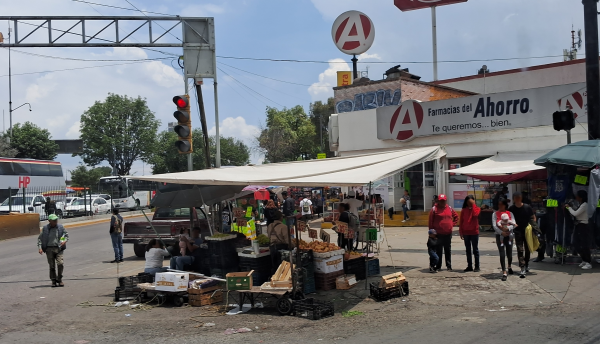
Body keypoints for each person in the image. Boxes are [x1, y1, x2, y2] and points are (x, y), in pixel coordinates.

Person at [508, 192, 536, 278]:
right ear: (514, 199)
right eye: (515, 198)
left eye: (518, 198)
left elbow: (533, 217)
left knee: (527, 249)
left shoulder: (527, 207)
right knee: (520, 249)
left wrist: (533, 225)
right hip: (517, 231)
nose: (517, 200)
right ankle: (522, 267)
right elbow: (508, 219)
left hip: (527, 230)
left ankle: (526, 264)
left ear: (521, 198)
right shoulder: (511, 208)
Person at [428, 194, 458, 271]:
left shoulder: (450, 208)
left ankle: (449, 266)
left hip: (448, 233)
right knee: (439, 250)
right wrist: (431, 233)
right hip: (438, 234)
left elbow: (456, 217)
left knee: (448, 250)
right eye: (441, 201)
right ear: (438, 201)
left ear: (446, 200)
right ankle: (438, 266)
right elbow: (430, 222)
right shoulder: (434, 209)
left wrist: (452, 224)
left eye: (444, 201)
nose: (442, 202)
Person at [38, 214, 68, 287]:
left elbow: (66, 235)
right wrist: (40, 248)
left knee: (60, 263)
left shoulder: (60, 227)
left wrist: (64, 241)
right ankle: (53, 280)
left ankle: (60, 279)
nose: (55, 221)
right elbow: (40, 239)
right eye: (54, 220)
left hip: (59, 248)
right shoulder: (45, 229)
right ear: (49, 221)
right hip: (49, 249)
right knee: (52, 266)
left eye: (56, 220)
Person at [567, 190, 592, 270]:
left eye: (577, 196)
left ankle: (588, 262)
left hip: (583, 225)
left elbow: (575, 213)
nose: (576, 197)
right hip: (578, 225)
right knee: (576, 243)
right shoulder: (581, 204)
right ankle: (584, 259)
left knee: (584, 244)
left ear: (581, 197)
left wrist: (569, 208)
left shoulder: (585, 205)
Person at [493, 199, 515, 281]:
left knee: (509, 253)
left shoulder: (510, 214)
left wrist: (507, 229)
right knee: (502, 254)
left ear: (505, 205)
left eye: (502, 204)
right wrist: (501, 232)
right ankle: (504, 272)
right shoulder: (495, 214)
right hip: (500, 235)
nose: (500, 206)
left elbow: (513, 223)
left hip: (509, 235)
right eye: (499, 205)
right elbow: (494, 225)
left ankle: (509, 266)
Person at [459, 195, 481, 272]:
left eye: (471, 202)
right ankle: (469, 266)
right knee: (468, 250)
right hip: (466, 232)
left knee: (475, 250)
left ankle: (477, 266)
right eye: (468, 202)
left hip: (474, 232)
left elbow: (475, 214)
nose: (469, 204)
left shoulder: (477, 209)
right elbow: (461, 222)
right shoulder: (464, 210)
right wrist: (461, 232)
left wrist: (473, 205)